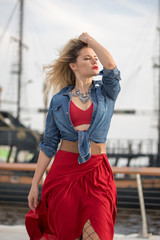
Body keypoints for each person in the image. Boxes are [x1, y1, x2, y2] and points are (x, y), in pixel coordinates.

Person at [25, 32, 121, 240]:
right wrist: (35, 183)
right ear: (73, 66)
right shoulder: (59, 100)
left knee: (99, 234)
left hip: (97, 173)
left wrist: (91, 42)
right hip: (64, 173)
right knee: (66, 235)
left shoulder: (107, 93)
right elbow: (49, 143)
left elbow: (111, 67)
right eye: (87, 58)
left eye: (95, 58)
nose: (94, 61)